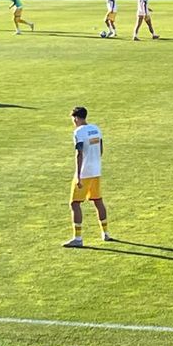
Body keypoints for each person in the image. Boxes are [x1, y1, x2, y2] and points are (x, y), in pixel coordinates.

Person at [63, 106, 113, 247]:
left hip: (84, 173)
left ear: (76, 118)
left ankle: (77, 238)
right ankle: (106, 233)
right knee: (98, 201)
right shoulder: (96, 129)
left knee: (75, 203)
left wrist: (78, 175)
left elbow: (79, 153)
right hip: (96, 171)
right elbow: (101, 148)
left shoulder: (78, 132)